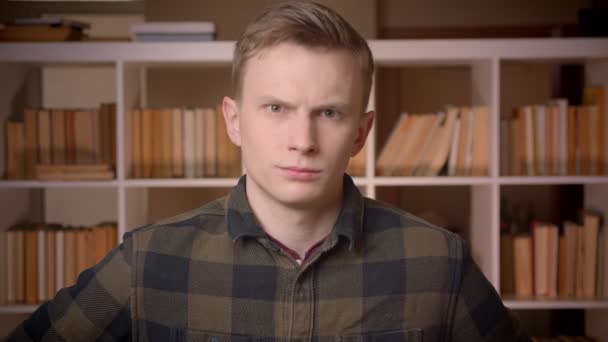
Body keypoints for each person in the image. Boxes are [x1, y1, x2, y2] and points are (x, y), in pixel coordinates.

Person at [7, 1, 527, 341]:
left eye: (328, 112)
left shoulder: (441, 263)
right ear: (234, 121)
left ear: (361, 133)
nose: (302, 141)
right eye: (276, 108)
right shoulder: (149, 262)